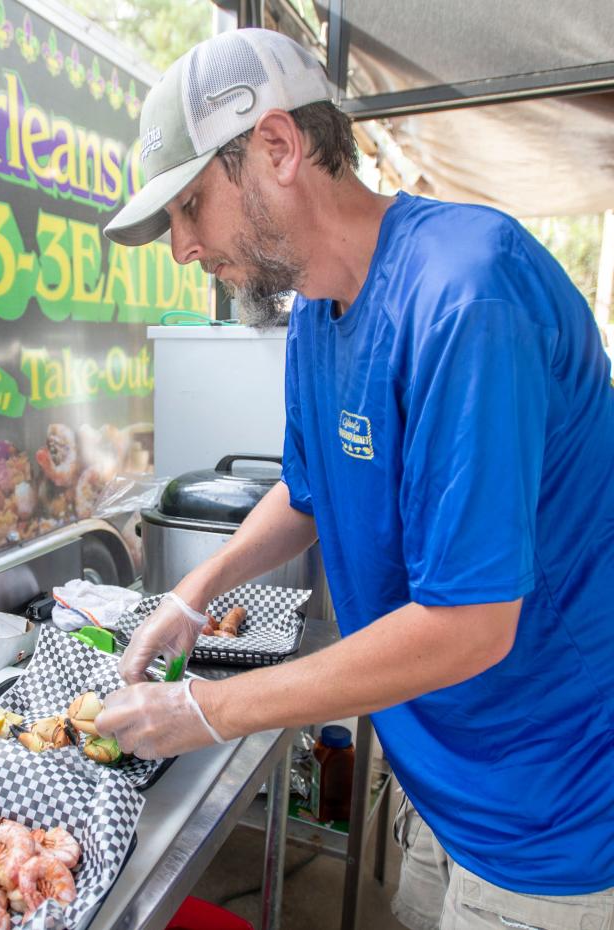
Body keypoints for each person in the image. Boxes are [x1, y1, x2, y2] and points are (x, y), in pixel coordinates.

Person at [94, 27, 614, 930]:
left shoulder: (467, 294)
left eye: (188, 206)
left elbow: (470, 627)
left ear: (278, 148)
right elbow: (308, 490)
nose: (181, 246)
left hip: (550, 797)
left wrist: (209, 710)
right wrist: (191, 593)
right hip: (439, 770)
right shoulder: (317, 315)